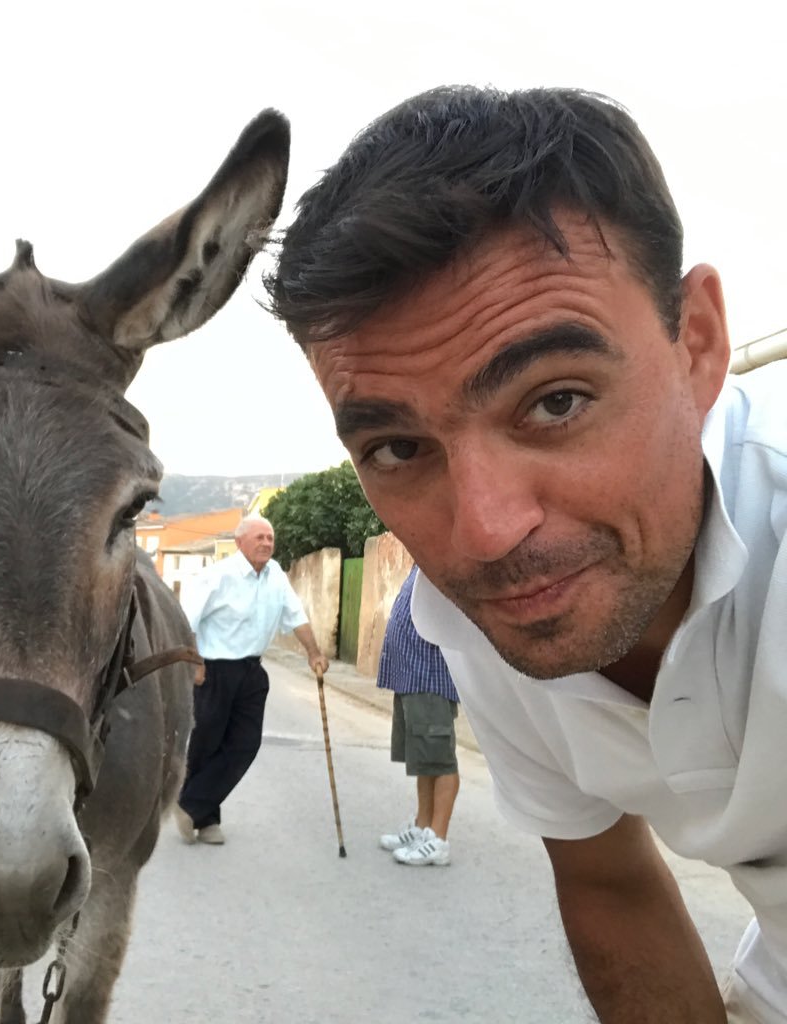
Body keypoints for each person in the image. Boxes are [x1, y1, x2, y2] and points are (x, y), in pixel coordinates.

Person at [265, 85, 787, 1022]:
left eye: (555, 402)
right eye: (396, 449)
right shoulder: (480, 621)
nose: (487, 532)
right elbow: (606, 878)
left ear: (697, 345)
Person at [175, 515, 329, 845]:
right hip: (214, 670)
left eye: (270, 538)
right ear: (239, 541)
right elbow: (188, 619)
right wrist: (195, 662)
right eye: (259, 537)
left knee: (245, 744)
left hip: (251, 672)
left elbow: (296, 616)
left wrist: (313, 652)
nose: (266, 543)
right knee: (206, 743)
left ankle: (190, 804)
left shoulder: (276, 577)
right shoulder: (218, 575)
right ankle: (207, 818)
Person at [377, 564, 461, 867]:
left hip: (431, 677)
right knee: (425, 759)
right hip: (411, 678)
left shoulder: (445, 563)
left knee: (441, 759)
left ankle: (438, 839)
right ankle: (423, 827)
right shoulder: (422, 564)